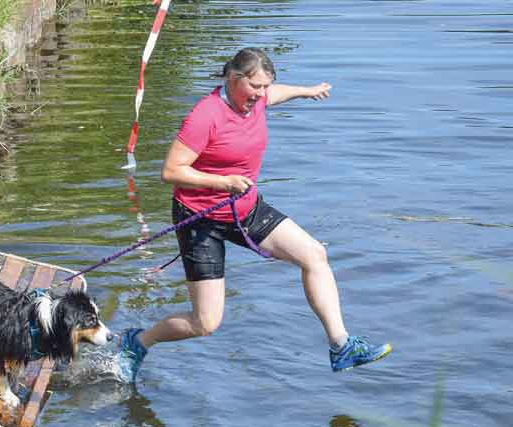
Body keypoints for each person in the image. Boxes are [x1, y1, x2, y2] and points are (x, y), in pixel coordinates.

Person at [116, 47, 391, 381]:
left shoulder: (257, 99)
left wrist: (306, 91)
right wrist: (224, 182)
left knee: (314, 255)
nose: (261, 95)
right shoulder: (206, 115)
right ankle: (138, 341)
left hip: (245, 208)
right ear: (234, 78)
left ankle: (341, 345)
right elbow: (171, 171)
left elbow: (276, 93)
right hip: (201, 218)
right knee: (205, 323)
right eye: (255, 86)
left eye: (264, 87)